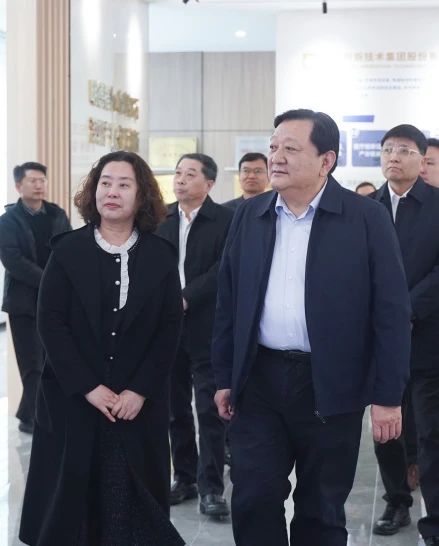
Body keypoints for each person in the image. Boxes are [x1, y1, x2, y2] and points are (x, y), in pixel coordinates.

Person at [212, 109, 411, 546]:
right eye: (273, 147)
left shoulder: (365, 218)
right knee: (253, 497)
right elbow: (229, 302)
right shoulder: (250, 215)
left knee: (321, 509)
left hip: (331, 384)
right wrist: (224, 375)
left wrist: (388, 396)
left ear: (326, 160)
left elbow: (392, 313)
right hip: (259, 380)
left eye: (290, 148)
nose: (276, 157)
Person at [19, 151, 185, 546]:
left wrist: (139, 390)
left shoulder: (161, 255)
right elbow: (51, 324)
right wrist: (88, 387)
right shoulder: (66, 250)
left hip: (135, 404)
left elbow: (168, 329)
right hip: (73, 399)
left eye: (124, 184)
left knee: (130, 500)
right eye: (105, 183)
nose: (112, 192)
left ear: (141, 195)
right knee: (71, 503)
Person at [370, 125, 439, 545]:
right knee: (387, 428)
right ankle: (397, 500)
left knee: (431, 432)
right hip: (380, 342)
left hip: (428, 338)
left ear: (421, 159)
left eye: (405, 150)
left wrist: (406, 310)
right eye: (388, 149)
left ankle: (435, 520)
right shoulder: (366, 209)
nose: (394, 156)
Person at [156, 153, 233, 517]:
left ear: (210, 183)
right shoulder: (160, 218)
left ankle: (212, 488)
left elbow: (224, 268)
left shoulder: (226, 220)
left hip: (208, 327)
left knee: (209, 410)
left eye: (190, 174)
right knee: (175, 410)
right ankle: (184, 478)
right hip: (167, 328)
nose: (180, 179)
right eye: (178, 173)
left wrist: (186, 297)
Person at [0, 162, 71, 434]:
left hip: (54, 302)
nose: (39, 185)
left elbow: (68, 248)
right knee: (31, 364)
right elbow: (13, 260)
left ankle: (27, 413)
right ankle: (42, 421)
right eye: (33, 180)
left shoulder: (57, 214)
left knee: (51, 360)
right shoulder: (8, 221)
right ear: (19, 186)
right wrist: (49, 280)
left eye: (42, 180)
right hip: (23, 303)